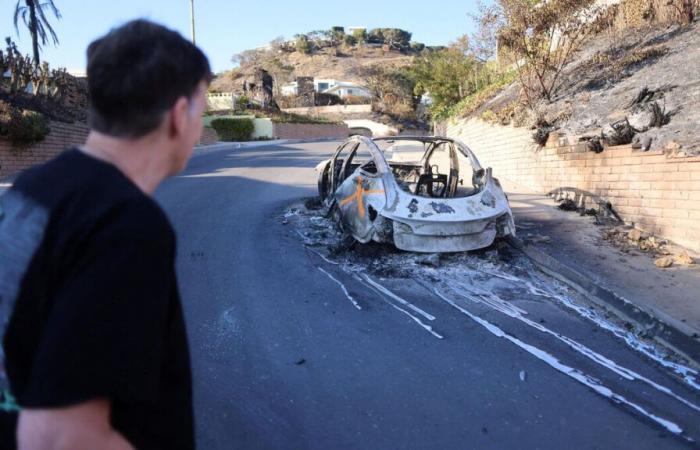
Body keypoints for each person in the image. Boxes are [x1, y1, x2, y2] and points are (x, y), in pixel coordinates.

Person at [0, 19, 211, 449]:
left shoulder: (32, 187)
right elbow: (63, 437)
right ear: (178, 115)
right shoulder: (126, 226)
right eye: (201, 109)